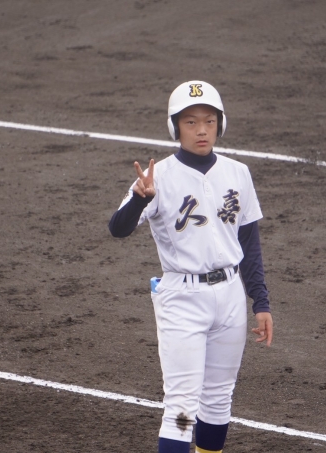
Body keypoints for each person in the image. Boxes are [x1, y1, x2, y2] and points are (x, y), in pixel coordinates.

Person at [108, 80, 273, 453]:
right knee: (182, 408)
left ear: (220, 124)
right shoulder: (158, 177)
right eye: (191, 122)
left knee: (218, 399)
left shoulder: (238, 173)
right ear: (175, 127)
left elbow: (248, 242)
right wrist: (139, 199)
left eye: (209, 121)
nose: (201, 130)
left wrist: (260, 302)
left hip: (230, 296)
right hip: (182, 299)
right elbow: (117, 228)